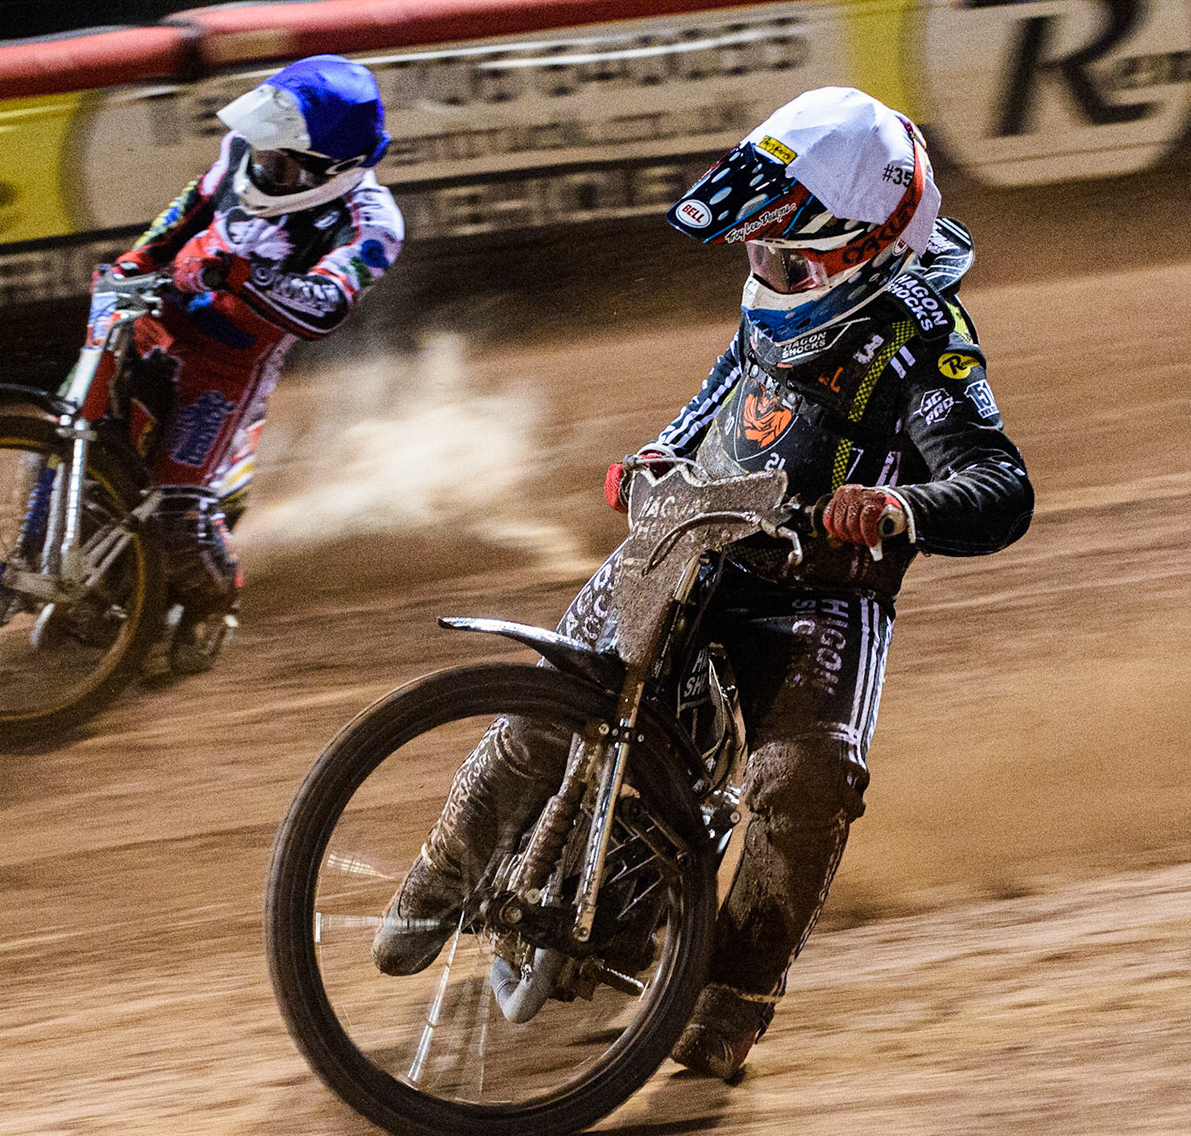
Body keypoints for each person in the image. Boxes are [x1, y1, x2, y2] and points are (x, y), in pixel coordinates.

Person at [373, 87, 1034, 1081]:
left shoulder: (924, 337)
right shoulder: (780, 289)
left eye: (779, 252)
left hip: (818, 587)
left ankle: (736, 997)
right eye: (754, 248)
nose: (757, 266)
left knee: (805, 781)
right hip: (697, 526)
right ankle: (443, 872)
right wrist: (659, 452)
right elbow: (728, 384)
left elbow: (1000, 484)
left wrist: (895, 511)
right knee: (547, 703)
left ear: (855, 244)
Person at [77, 55, 402, 658]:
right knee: (75, 439)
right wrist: (132, 265)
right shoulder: (239, 152)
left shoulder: (371, 222)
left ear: (329, 171)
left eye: (278, 163)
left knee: (176, 516)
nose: (259, 165)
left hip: (226, 370)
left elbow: (326, 306)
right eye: (260, 149)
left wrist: (237, 274)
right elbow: (186, 215)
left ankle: (213, 604)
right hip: (157, 318)